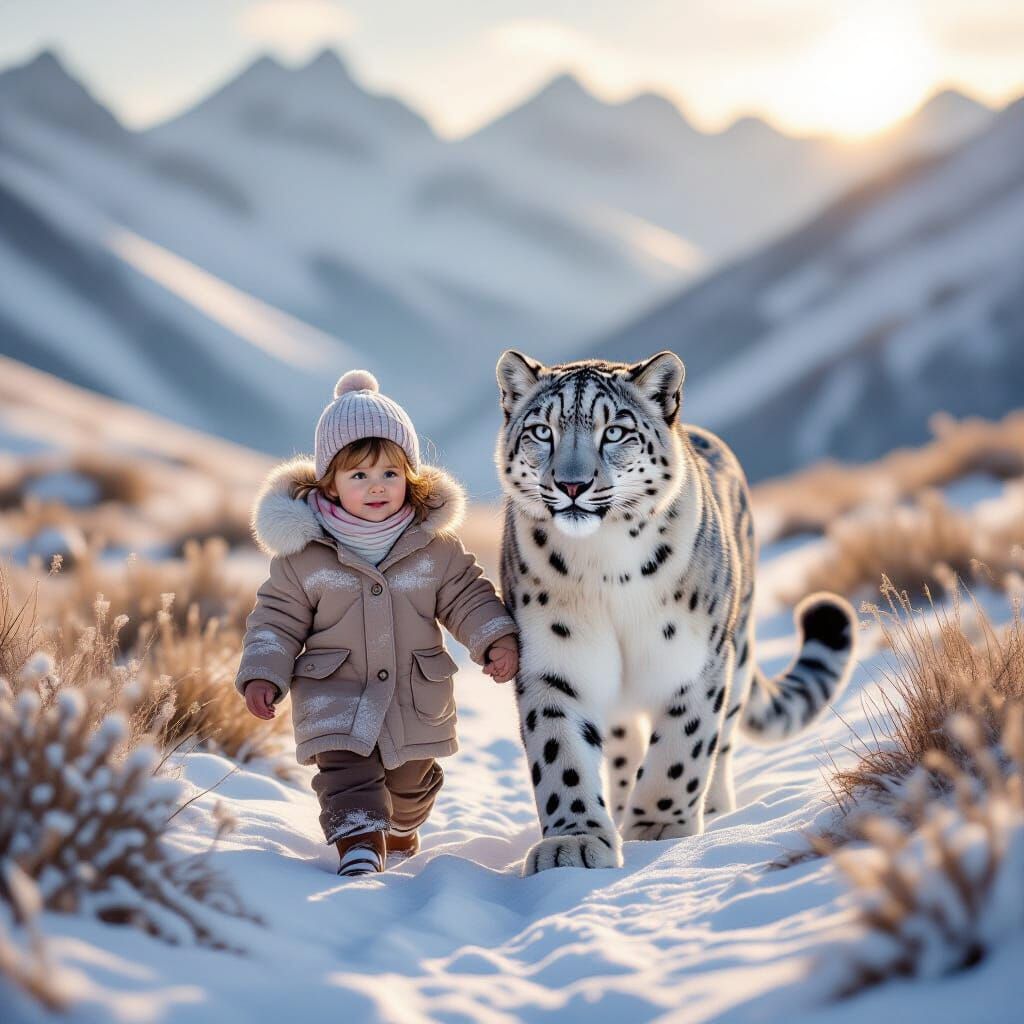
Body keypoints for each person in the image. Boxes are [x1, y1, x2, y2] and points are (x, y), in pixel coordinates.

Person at [235, 370, 518, 876]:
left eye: (389, 473)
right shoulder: (306, 555)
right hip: (334, 692)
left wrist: (493, 637)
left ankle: (402, 825)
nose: (376, 487)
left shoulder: (433, 547)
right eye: (358, 476)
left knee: (409, 783)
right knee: (347, 778)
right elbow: (275, 620)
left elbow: (466, 596)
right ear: (330, 482)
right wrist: (263, 671)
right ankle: (360, 845)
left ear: (410, 476)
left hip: (414, 696)